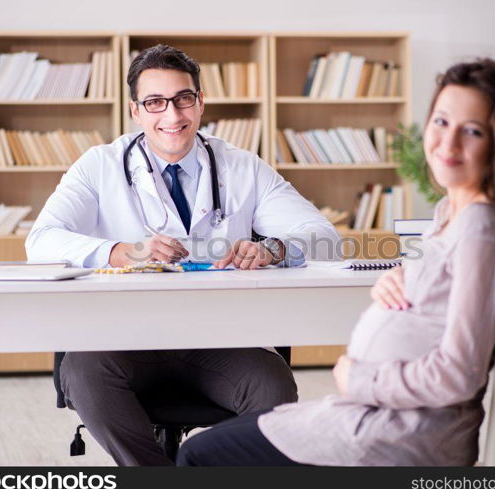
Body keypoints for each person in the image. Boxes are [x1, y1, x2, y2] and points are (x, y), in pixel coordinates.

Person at [176, 58, 495, 466]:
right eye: (440, 122)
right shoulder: (450, 214)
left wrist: (360, 378)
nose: (448, 143)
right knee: (222, 441)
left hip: (396, 433)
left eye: (472, 131)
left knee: (197, 455)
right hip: (372, 416)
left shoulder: (482, 228)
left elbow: (459, 373)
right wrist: (400, 277)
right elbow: (447, 285)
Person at [25, 44, 340, 466]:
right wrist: (120, 252)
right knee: (83, 374)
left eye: (183, 99)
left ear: (200, 102)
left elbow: (324, 237)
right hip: (123, 337)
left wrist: (273, 248)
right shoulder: (99, 166)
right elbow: (40, 240)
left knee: (273, 388)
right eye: (155, 102)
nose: (172, 116)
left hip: (221, 337)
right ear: (136, 110)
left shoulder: (242, 167)